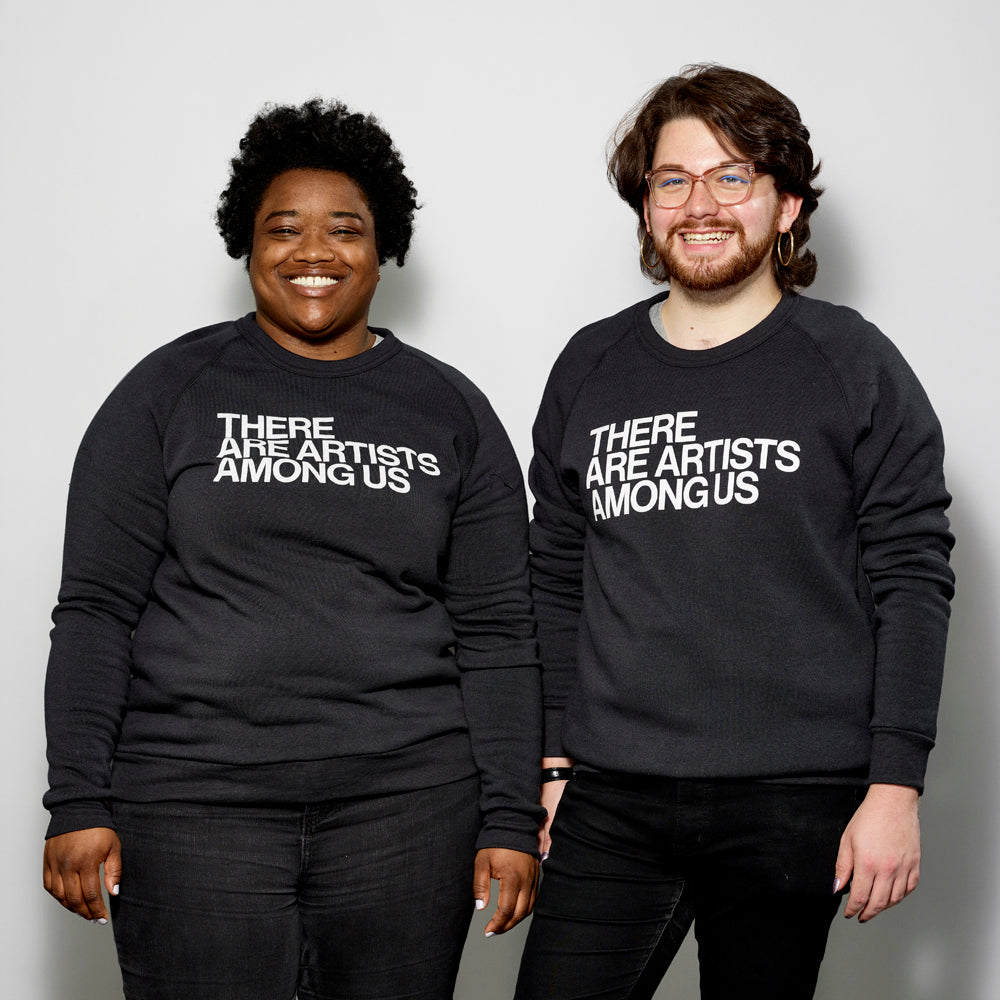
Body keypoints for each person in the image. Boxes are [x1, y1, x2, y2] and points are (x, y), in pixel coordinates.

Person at [42, 99, 542, 1000]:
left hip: (409, 811)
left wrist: (508, 815)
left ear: (383, 247)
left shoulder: (449, 410)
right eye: (284, 229)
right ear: (247, 244)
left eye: (344, 229)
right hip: (192, 806)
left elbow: (501, 629)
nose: (314, 252)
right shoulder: (165, 393)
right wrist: (76, 799)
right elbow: (95, 612)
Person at [514, 65, 954, 1000]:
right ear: (644, 208)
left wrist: (895, 787)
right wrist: (550, 764)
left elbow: (912, 579)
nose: (699, 204)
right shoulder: (592, 365)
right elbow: (554, 573)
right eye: (672, 180)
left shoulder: (853, 362)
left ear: (786, 204)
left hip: (793, 795)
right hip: (611, 791)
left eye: (732, 176)